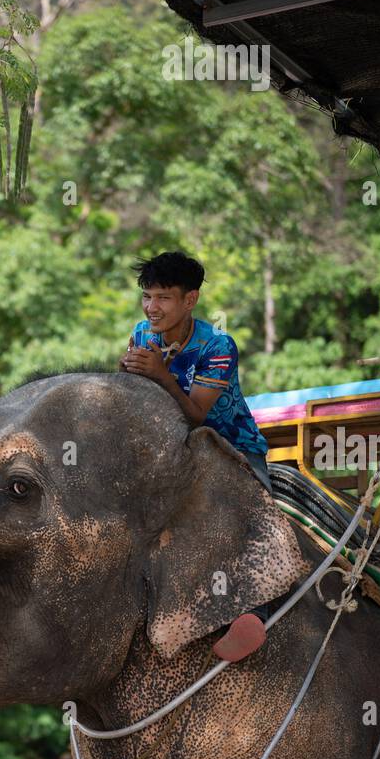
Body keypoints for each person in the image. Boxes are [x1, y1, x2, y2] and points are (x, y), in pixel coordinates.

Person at [120, 251, 272, 662]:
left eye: (164, 298)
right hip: (173, 451)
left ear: (191, 300)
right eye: (147, 297)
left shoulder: (217, 345)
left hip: (232, 449)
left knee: (252, 518)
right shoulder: (142, 334)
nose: (152, 308)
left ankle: (254, 616)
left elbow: (197, 415)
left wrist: (161, 376)